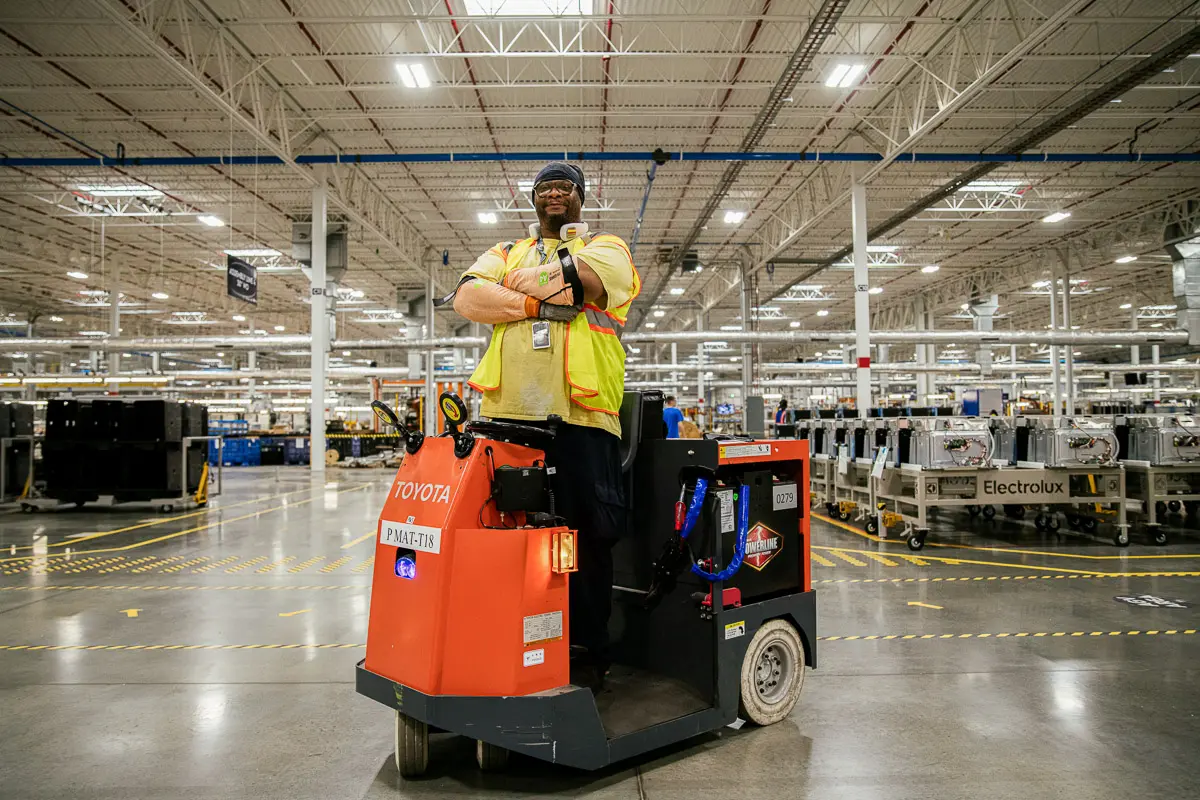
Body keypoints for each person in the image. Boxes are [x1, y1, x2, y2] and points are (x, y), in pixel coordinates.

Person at [452, 162, 639, 690]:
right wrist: (536, 300)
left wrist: (509, 290)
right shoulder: (508, 249)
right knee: (502, 538)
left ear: (581, 197)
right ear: (533, 199)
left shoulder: (607, 247)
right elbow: (467, 297)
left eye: (565, 187)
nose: (554, 194)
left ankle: (587, 653)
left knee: (587, 541)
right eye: (545, 189)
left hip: (583, 419)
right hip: (508, 421)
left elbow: (583, 284)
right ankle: (510, 645)